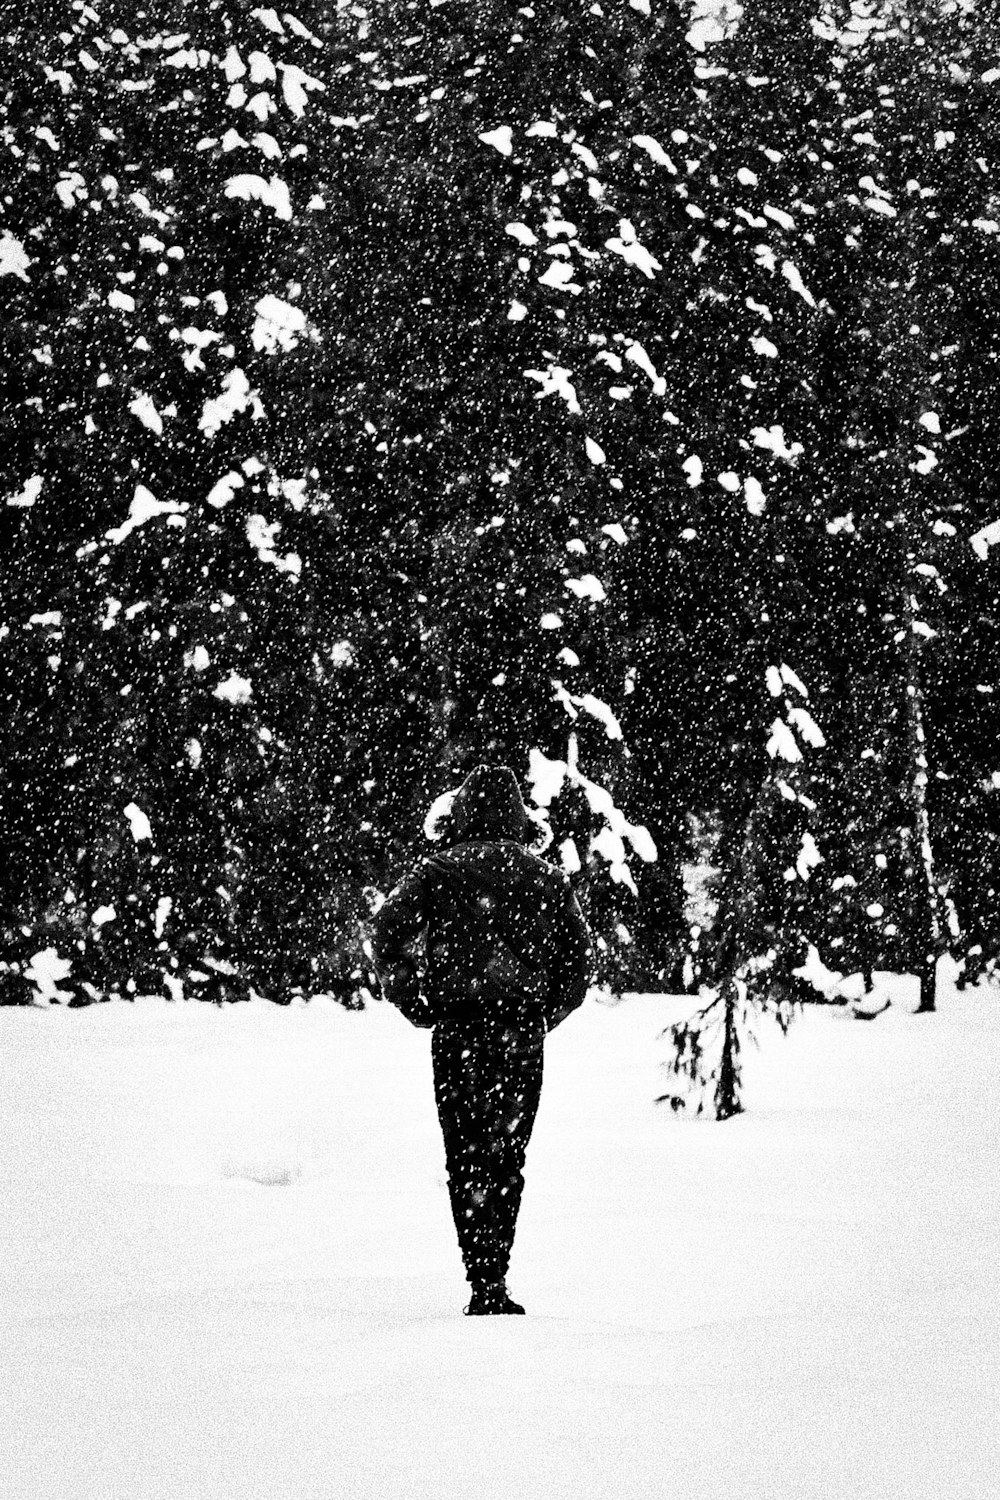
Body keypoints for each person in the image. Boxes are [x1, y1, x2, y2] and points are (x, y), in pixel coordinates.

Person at [371, 764, 592, 1316]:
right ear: (519, 815)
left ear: (463, 811)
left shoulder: (437, 871)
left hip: (458, 1029)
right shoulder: (546, 878)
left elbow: (386, 930)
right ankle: (497, 1275)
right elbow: (578, 964)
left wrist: (412, 1000)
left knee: (464, 1155)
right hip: (519, 1033)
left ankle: (482, 1280)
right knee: (507, 1155)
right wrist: (546, 1014)